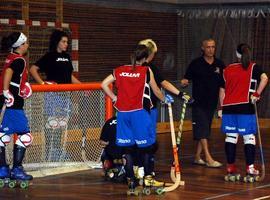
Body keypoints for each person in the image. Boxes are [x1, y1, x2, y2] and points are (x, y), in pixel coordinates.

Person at [101, 44, 173, 194]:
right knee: (146, 147)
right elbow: (156, 90)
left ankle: (131, 183)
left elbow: (104, 84)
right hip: (139, 113)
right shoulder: (146, 71)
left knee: (127, 149)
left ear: (131, 56)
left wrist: (115, 99)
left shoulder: (119, 70)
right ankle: (147, 178)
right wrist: (165, 99)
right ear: (145, 58)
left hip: (123, 114)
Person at [138, 39, 192, 175]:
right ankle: (147, 170)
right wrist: (179, 94)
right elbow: (161, 85)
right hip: (148, 109)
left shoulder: (130, 67)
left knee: (137, 138)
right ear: (149, 54)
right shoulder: (150, 68)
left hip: (131, 110)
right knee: (149, 140)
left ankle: (137, 167)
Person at [219, 43, 268, 181]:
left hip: (228, 108)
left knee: (231, 137)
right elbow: (265, 78)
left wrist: (221, 108)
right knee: (249, 138)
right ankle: (250, 168)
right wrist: (257, 94)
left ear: (237, 54)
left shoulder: (227, 69)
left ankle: (230, 168)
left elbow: (222, 91)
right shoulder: (253, 67)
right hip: (245, 107)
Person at [30, 29, 81, 161]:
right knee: (50, 125)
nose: (66, 44)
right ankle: (47, 153)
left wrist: (81, 86)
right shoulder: (49, 56)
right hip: (53, 96)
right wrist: (42, 84)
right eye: (63, 42)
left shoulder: (67, 57)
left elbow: (69, 76)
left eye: (67, 42)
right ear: (57, 42)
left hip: (65, 97)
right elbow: (33, 69)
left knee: (60, 126)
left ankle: (57, 152)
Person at [181, 38, 224, 167]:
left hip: (211, 103)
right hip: (198, 103)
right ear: (203, 48)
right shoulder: (196, 64)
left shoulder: (220, 64)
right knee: (202, 129)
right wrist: (184, 82)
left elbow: (223, 84)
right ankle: (209, 159)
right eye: (208, 47)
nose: (211, 49)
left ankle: (197, 157)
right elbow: (186, 78)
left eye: (213, 47)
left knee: (204, 130)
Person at [0, 32, 33, 181]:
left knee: (3, 136)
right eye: (25, 43)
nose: (27, 45)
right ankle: (17, 170)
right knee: (26, 136)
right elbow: (8, 72)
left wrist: (22, 87)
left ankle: (3, 169)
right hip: (14, 105)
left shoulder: (11, 57)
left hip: (7, 103)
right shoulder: (19, 60)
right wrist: (7, 91)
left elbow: (11, 75)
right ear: (19, 46)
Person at [99, 116, 126, 183]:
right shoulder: (130, 121)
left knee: (105, 150)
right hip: (124, 152)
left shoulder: (109, 122)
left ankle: (108, 163)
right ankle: (125, 165)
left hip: (111, 153)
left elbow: (102, 141)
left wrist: (109, 142)